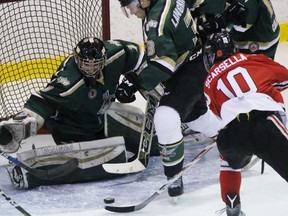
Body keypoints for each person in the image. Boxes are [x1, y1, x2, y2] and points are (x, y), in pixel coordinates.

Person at [0, 37, 160, 189]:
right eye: (86, 64)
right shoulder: (69, 83)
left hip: (99, 115)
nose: (91, 69)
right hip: (73, 131)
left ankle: (167, 133)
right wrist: (20, 127)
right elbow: (41, 104)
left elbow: (137, 56)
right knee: (112, 156)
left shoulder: (114, 54)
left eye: (96, 63)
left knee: (154, 142)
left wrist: (138, 80)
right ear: (76, 60)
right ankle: (29, 170)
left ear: (104, 59)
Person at [117, 0, 221, 197]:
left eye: (131, 6)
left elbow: (164, 65)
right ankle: (232, 132)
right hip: (195, 60)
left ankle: (174, 177)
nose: (131, 12)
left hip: (189, 69)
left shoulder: (156, 22)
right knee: (196, 117)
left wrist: (135, 82)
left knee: (165, 116)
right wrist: (217, 16)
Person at [203, 32, 288, 216]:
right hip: (264, 126)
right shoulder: (254, 59)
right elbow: (284, 79)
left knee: (228, 161)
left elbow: (217, 114)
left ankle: (232, 206)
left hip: (231, 136)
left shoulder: (209, 81)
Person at [193, 0, 280, 59]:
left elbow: (244, 23)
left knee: (252, 79)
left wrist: (219, 24)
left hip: (258, 40)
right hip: (265, 32)